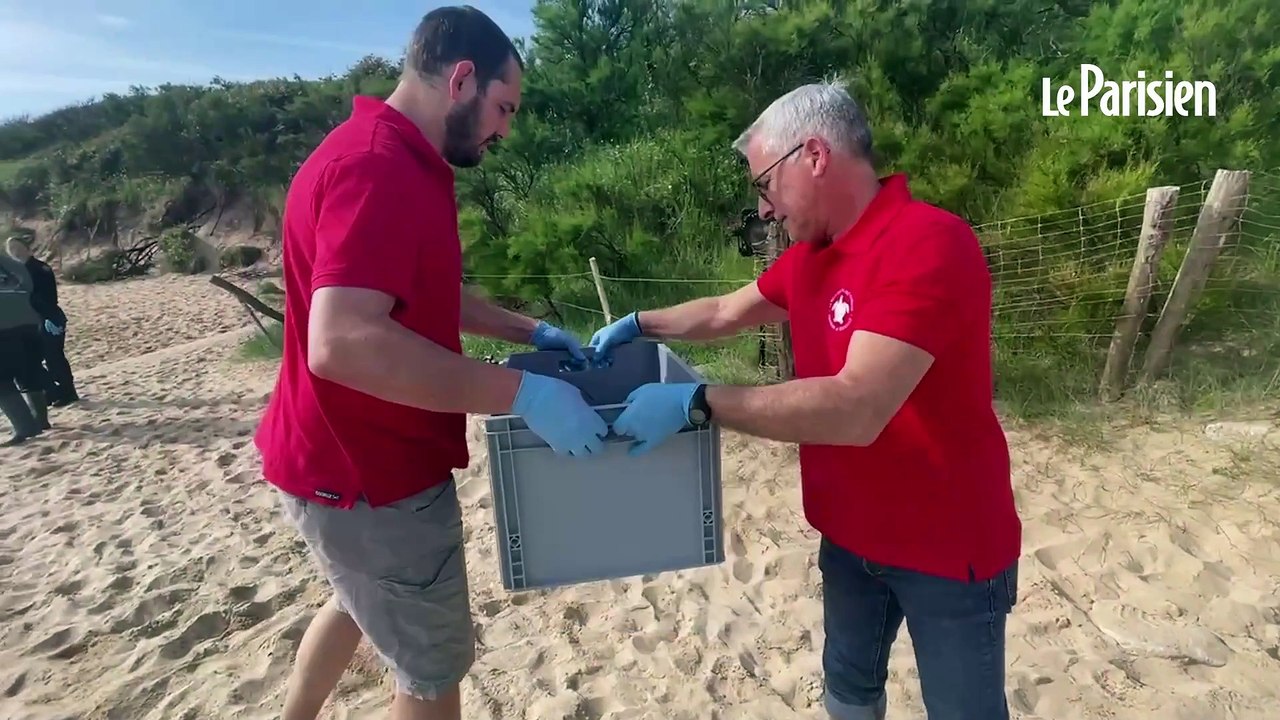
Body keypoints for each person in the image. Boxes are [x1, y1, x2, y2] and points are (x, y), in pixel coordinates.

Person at [591, 80, 1022, 720]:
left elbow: (856, 407)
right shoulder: (811, 258)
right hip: (850, 534)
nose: (763, 209)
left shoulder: (927, 242)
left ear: (815, 155)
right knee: (848, 690)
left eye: (765, 184)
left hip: (946, 546)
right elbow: (723, 311)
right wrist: (638, 324)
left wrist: (698, 402)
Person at [252, 6, 609, 720]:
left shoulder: (383, 153)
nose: (505, 129)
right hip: (371, 472)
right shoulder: (377, 167)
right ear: (462, 78)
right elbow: (342, 340)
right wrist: (524, 395)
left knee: (357, 601)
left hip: (327, 462)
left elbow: (415, 291)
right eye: (504, 107)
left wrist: (529, 329)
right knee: (432, 670)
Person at [6, 236, 78, 406]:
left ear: (28, 249)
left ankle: (68, 392)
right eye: (11, 249)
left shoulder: (40, 269)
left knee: (54, 357)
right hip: (28, 323)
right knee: (30, 360)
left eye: (18, 247)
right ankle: (51, 392)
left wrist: (44, 315)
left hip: (49, 318)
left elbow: (48, 298)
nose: (15, 252)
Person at [0, 250, 51, 445]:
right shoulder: (15, 265)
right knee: (30, 372)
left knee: (2, 381)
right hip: (30, 324)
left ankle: (26, 428)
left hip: (4, 329)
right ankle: (41, 421)